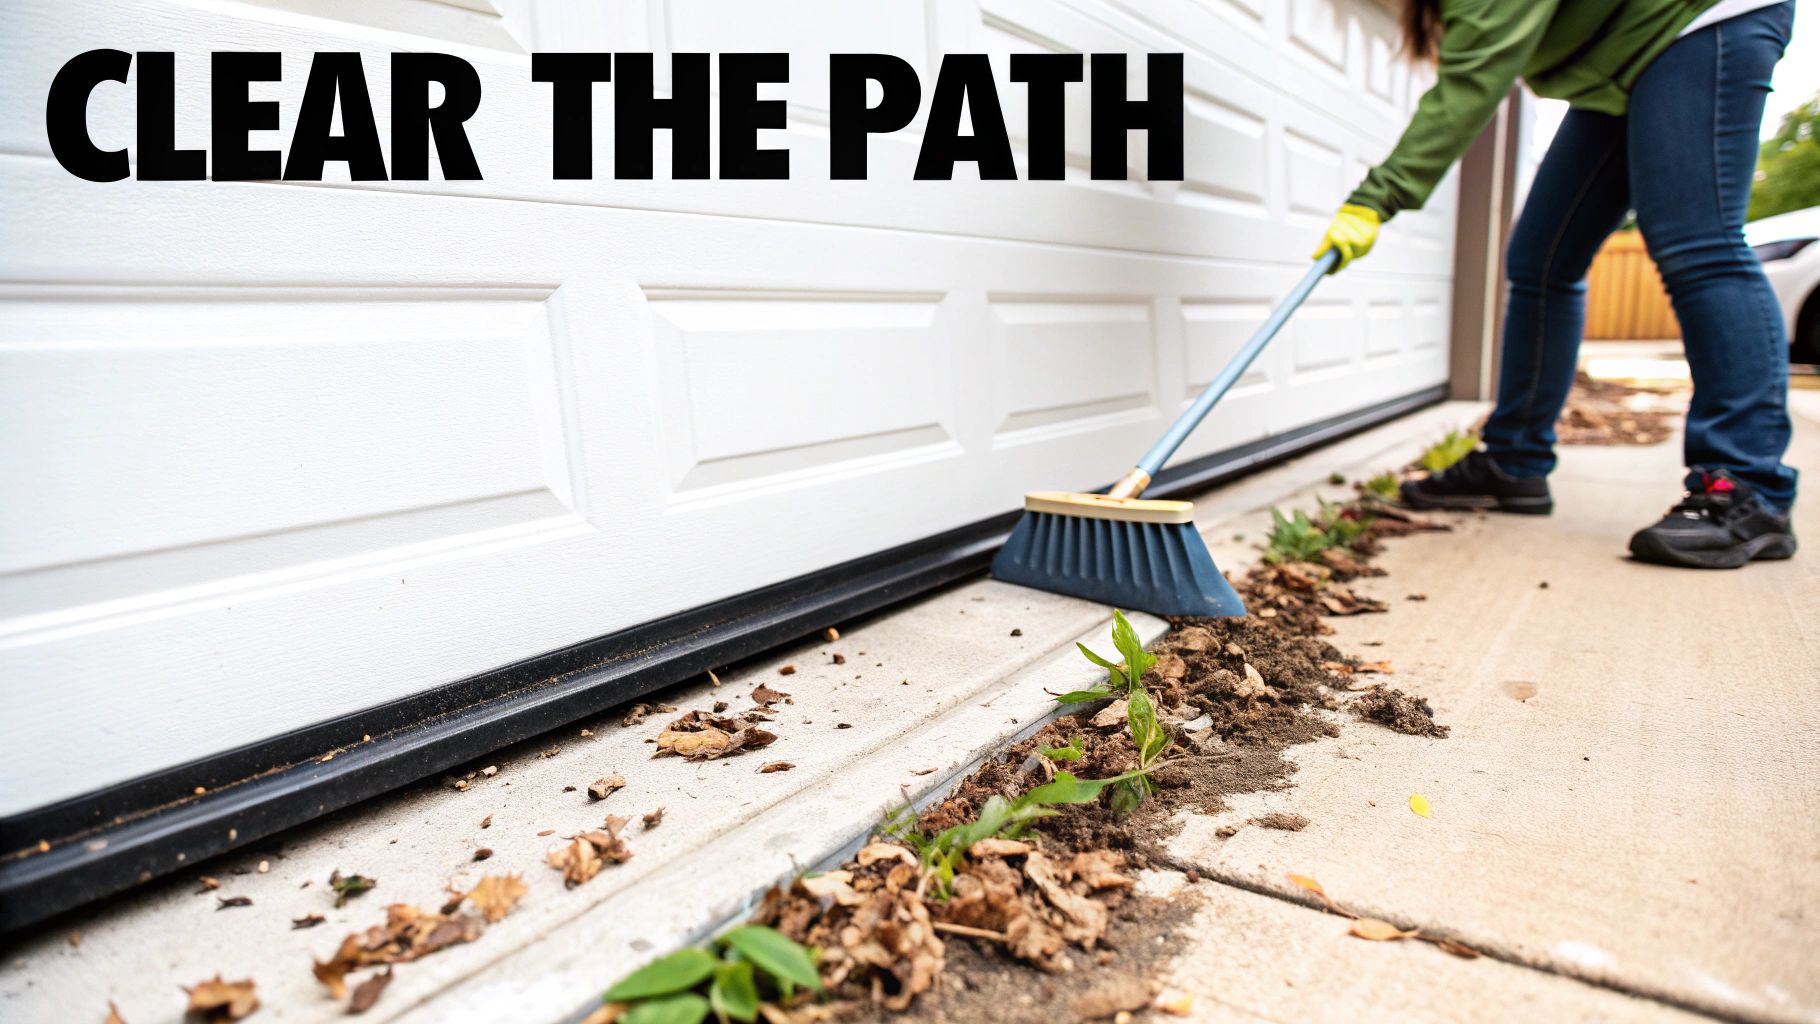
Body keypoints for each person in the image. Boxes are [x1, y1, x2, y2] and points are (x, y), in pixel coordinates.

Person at [1317, 0, 1799, 569]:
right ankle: (1514, 461)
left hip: (1700, 21)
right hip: (1628, 58)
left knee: (1699, 244)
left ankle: (1747, 486)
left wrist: (1377, 197)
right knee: (1541, 261)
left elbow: (1476, 78)